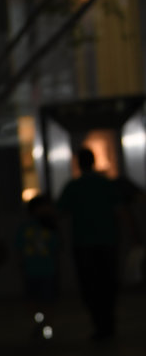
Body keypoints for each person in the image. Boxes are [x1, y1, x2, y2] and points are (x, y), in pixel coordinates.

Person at [57, 146, 126, 340]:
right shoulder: (105, 184)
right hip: (105, 241)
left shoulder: (74, 186)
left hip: (85, 244)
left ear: (78, 164)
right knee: (107, 284)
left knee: (90, 286)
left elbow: (60, 212)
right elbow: (120, 211)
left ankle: (101, 324)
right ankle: (107, 323)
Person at [15, 193, 59, 340]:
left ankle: (47, 328)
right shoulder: (25, 228)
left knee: (48, 301)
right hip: (30, 271)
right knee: (34, 302)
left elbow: (56, 249)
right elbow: (19, 250)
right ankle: (39, 324)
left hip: (47, 271)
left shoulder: (51, 228)